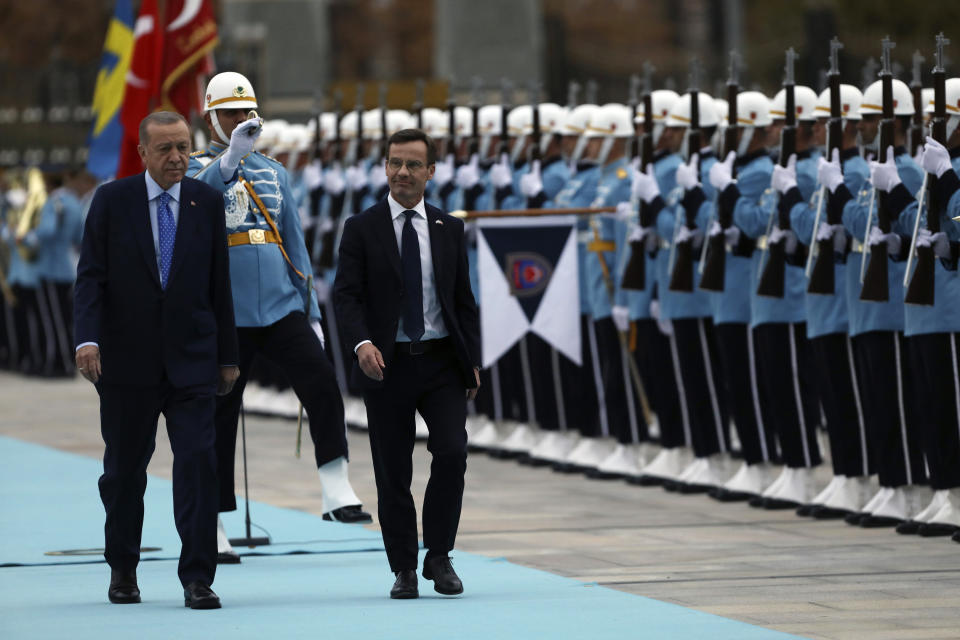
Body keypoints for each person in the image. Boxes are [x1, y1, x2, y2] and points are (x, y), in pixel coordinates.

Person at [187, 72, 370, 566]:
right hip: (227, 310)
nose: (243, 122)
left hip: (279, 305)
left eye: (248, 114)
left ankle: (335, 485)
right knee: (220, 417)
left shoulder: (273, 170)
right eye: (231, 115)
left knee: (322, 384)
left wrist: (309, 308)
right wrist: (229, 160)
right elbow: (194, 208)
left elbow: (294, 242)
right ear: (211, 118)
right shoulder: (196, 168)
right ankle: (216, 520)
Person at [74, 111, 239, 609]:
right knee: (124, 473)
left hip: (192, 362)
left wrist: (228, 356)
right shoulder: (111, 201)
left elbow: (219, 284)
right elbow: (90, 278)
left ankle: (197, 577)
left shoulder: (205, 201)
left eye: (184, 147)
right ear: (143, 153)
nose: (177, 158)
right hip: (127, 365)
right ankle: (123, 568)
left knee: (198, 465)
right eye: (165, 149)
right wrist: (87, 339)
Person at [333, 128, 481, 599]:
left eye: (413, 164)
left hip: (440, 362)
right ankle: (403, 567)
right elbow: (346, 296)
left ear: (431, 172)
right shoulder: (362, 227)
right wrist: (360, 344)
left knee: (453, 454)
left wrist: (471, 360)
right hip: (387, 365)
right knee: (392, 469)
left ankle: (439, 554)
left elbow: (463, 301)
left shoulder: (449, 228)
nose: (402, 172)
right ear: (385, 167)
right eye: (395, 162)